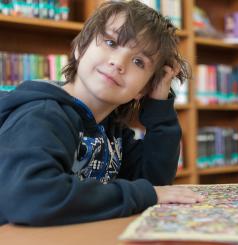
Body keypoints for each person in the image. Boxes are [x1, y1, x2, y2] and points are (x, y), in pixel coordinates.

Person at [0, 0, 203, 226]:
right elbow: (31, 198)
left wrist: (159, 104)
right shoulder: (41, 115)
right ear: (80, 47)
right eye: (111, 42)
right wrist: (145, 194)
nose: (118, 63)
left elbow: (152, 182)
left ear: (143, 89)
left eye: (139, 61)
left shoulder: (111, 129)